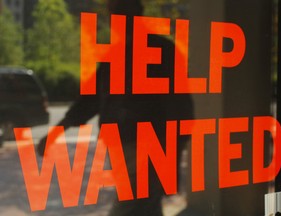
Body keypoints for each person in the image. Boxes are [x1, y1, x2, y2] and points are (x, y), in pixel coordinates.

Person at [38, 0, 193, 215]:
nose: (115, 20)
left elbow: (180, 108)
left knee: (132, 204)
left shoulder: (156, 52)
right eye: (113, 13)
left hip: (146, 146)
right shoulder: (120, 55)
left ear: (137, 13)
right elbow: (88, 101)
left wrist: (171, 149)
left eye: (119, 11)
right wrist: (55, 133)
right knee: (144, 206)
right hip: (128, 146)